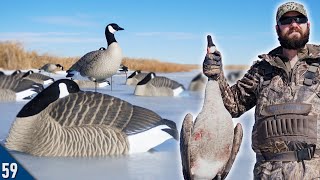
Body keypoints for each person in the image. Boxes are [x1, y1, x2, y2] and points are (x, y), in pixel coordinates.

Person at [203, 1, 320, 179]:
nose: (294, 24)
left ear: (308, 25)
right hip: (268, 174)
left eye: (299, 19)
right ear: (277, 28)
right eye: (286, 21)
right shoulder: (262, 70)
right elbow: (233, 105)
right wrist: (216, 75)